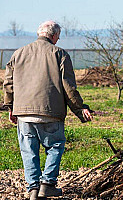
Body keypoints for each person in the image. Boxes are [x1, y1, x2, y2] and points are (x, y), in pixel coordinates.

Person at [3, 20, 93, 200]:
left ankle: (33, 190)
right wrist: (80, 109)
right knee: (55, 146)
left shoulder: (18, 53)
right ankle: (48, 184)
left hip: (24, 114)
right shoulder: (60, 54)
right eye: (58, 37)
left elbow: (8, 84)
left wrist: (11, 108)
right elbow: (69, 87)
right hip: (50, 112)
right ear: (53, 36)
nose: (58, 40)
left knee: (29, 152)